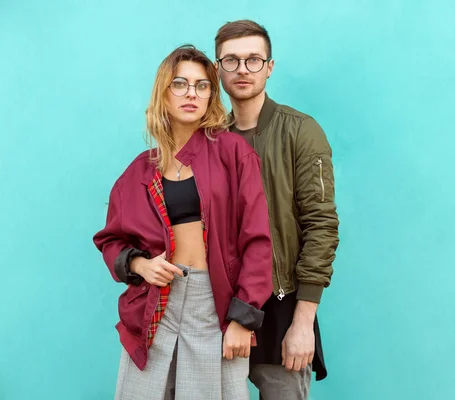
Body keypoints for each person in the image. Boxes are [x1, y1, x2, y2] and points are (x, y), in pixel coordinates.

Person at [92, 45, 273, 400]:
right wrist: (140, 264)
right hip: (155, 307)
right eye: (180, 83)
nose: (191, 93)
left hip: (215, 306)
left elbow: (258, 240)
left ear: (211, 96)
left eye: (202, 85)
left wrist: (243, 317)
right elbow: (110, 239)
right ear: (164, 92)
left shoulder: (234, 153)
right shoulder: (138, 171)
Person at [214, 20, 340, 400]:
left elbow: (321, 227)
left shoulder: (301, 131)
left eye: (253, 60)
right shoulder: (208, 139)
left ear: (270, 67)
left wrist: (304, 321)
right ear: (217, 68)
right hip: (218, 304)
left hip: (282, 304)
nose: (242, 70)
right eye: (231, 60)